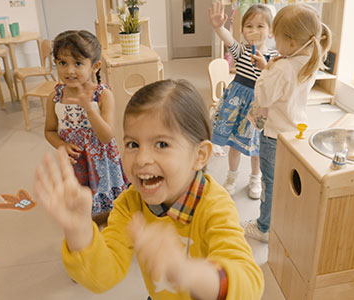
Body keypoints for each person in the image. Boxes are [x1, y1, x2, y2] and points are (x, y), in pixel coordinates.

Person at [34, 79, 264, 300]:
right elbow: (102, 278)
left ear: (199, 155)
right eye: (133, 144)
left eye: (162, 144)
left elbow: (249, 283)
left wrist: (186, 272)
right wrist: (80, 233)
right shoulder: (129, 204)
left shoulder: (215, 205)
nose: (142, 159)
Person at [242, 4, 332, 243]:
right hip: (296, 130)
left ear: (291, 42)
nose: (273, 39)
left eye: (277, 36)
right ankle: (280, 221)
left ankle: (263, 228)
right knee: (286, 183)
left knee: (269, 183)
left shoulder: (282, 67)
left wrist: (266, 72)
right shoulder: (310, 60)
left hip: (274, 135)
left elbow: (264, 97)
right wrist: (270, 67)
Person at [44, 30, 129, 227]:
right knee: (82, 206)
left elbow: (107, 136)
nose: (69, 70)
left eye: (78, 63)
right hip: (76, 163)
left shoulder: (102, 95)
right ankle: (87, 234)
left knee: (109, 209)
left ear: (95, 66)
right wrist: (61, 145)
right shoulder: (55, 97)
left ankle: (111, 233)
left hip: (101, 163)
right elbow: (49, 131)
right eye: (62, 63)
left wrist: (90, 109)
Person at [209, 1, 278, 199]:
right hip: (236, 104)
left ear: (270, 32)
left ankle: (255, 178)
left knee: (256, 146)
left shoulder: (274, 57)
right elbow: (228, 39)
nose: (254, 30)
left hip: (259, 106)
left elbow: (274, 81)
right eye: (249, 26)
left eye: (260, 26)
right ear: (243, 31)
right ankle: (231, 177)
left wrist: (265, 66)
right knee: (234, 144)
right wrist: (218, 27)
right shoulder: (241, 52)